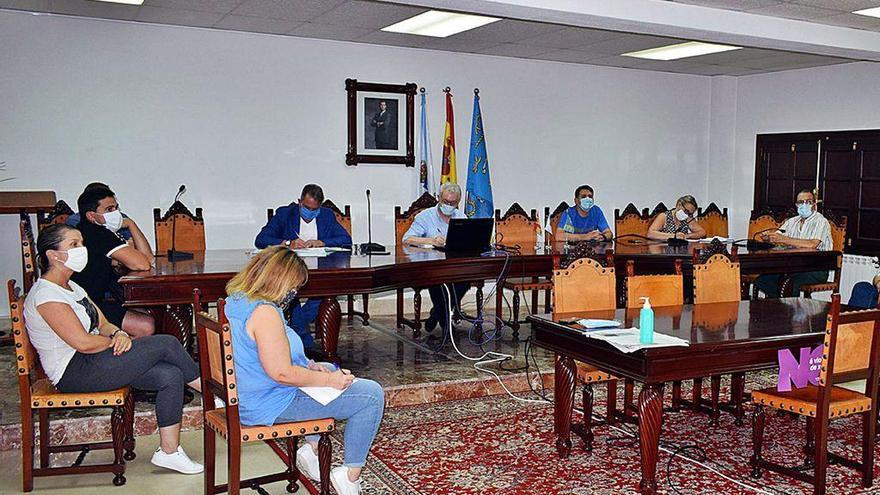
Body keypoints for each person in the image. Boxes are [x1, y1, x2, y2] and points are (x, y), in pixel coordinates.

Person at [25, 224, 204, 474]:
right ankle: (214, 393)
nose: (82, 249)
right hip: (73, 371)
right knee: (167, 343)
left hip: (95, 360)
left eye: (81, 243)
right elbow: (83, 343)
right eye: (73, 245)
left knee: (170, 375)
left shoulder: (71, 287)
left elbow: (104, 323)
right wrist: (116, 341)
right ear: (53, 255)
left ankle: (169, 452)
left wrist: (119, 333)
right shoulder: (46, 295)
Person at [224, 246, 384, 495]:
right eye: (294, 286)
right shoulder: (264, 313)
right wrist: (327, 380)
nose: (294, 292)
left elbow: (264, 354)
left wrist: (310, 366)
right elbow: (282, 373)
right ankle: (350, 476)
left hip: (250, 394)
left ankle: (310, 450)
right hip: (269, 402)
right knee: (370, 395)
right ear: (280, 280)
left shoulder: (236, 300)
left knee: (330, 367)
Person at [255, 184, 352, 350]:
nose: (310, 212)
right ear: (299, 202)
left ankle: (296, 331)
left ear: (319, 207)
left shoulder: (326, 215)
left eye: (315, 209)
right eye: (307, 207)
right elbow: (261, 239)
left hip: (318, 269)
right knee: (290, 297)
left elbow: (346, 240)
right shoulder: (285, 213)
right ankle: (306, 344)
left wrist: (322, 242)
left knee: (325, 293)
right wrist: (287, 243)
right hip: (289, 270)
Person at [74, 185, 156, 337]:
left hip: (92, 299)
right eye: (109, 209)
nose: (116, 213)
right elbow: (143, 264)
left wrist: (131, 223)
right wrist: (130, 224)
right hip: (87, 305)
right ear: (91, 216)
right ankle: (117, 354)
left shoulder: (89, 230)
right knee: (146, 325)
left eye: (116, 208)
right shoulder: (97, 233)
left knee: (148, 312)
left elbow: (148, 258)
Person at [402, 182, 470, 333]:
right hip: (430, 267)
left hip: (454, 266)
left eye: (453, 203)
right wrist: (430, 240)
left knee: (465, 282)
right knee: (437, 282)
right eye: (445, 202)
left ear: (458, 202)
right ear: (439, 198)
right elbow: (407, 239)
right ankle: (446, 323)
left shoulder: (461, 216)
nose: (449, 205)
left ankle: (437, 314)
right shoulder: (425, 216)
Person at [754, 190, 834, 298]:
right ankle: (779, 307)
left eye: (808, 202)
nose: (803, 205)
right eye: (800, 202)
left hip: (816, 269)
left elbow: (812, 244)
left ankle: (790, 311)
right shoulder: (792, 221)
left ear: (814, 205)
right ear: (796, 205)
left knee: (788, 283)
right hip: (794, 266)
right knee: (763, 280)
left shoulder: (821, 221)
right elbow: (778, 236)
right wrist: (769, 238)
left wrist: (784, 239)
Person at [66, 182, 133, 241]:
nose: (115, 212)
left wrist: (130, 224)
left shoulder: (121, 217)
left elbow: (133, 242)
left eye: (116, 207)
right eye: (109, 209)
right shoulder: (75, 220)